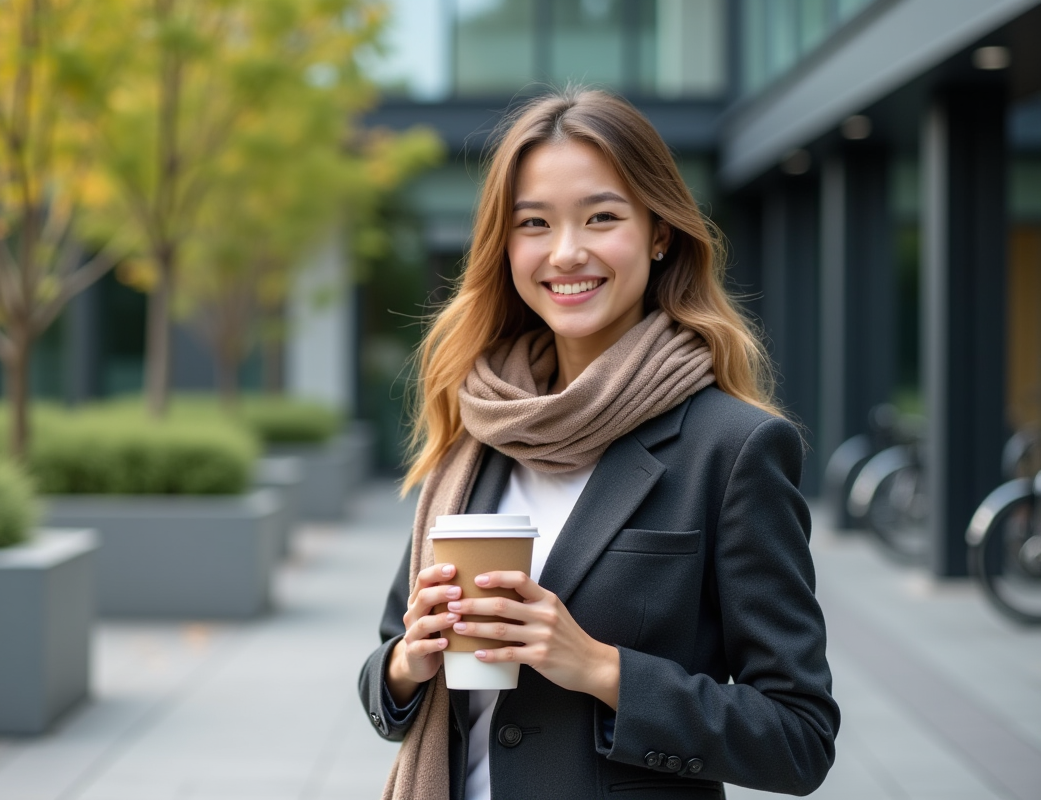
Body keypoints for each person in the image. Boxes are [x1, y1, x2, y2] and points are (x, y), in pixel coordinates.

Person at [358, 88, 839, 800]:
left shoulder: (733, 448)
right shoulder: (484, 427)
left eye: (602, 217)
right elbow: (385, 668)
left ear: (659, 232)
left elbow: (800, 739)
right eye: (534, 223)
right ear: (505, 244)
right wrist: (407, 664)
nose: (566, 252)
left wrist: (601, 669)